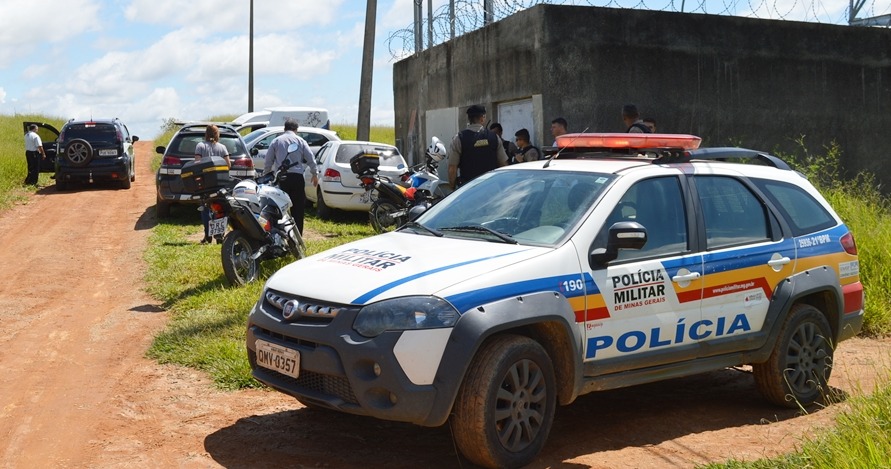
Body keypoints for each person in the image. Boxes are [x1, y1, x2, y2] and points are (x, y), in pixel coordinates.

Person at [265, 118, 318, 235]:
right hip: (297, 178)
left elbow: (268, 161)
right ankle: (297, 235)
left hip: (281, 178)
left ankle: (280, 233)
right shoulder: (301, 141)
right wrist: (315, 174)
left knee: (279, 207)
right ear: (296, 130)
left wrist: (266, 175)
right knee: (298, 209)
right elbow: (310, 158)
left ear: (284, 129)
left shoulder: (276, 141)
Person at [448, 104, 508, 190]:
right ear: (482, 118)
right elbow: (503, 164)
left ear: (469, 119)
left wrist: (452, 188)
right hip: (491, 189)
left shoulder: (458, 138)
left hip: (468, 190)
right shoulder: (494, 137)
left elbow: (452, 168)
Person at [194, 124, 231, 244]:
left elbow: (197, 163)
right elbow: (228, 165)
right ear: (217, 134)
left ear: (206, 133)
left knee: (205, 208)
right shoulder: (222, 147)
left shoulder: (200, 146)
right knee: (220, 209)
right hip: (219, 183)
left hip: (205, 184)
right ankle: (219, 234)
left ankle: (207, 235)